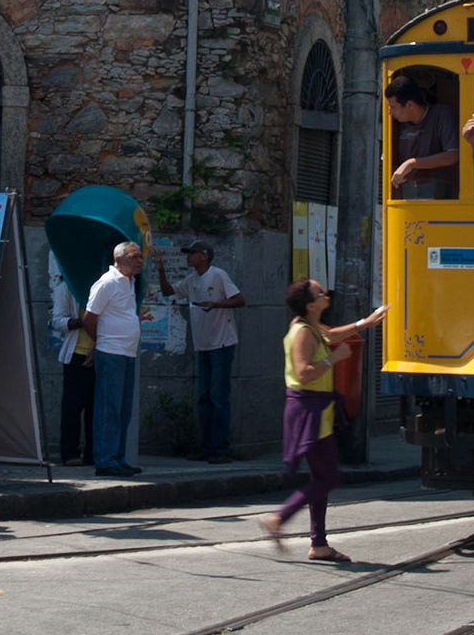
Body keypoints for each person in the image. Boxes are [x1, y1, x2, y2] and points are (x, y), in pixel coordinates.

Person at [257, 279, 388, 562]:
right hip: (308, 411)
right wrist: (333, 359)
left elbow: (332, 335)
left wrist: (366, 322)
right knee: (329, 477)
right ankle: (279, 518)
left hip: (317, 410)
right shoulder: (302, 332)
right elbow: (303, 373)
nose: (325, 294)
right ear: (310, 304)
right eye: (319, 292)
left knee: (322, 477)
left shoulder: (312, 327)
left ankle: (319, 544)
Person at [158, 240, 243, 463]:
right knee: (204, 397)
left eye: (192, 253)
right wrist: (160, 270)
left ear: (204, 256)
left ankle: (222, 449)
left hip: (221, 344)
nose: (189, 257)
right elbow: (168, 291)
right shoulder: (192, 279)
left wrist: (217, 305)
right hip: (203, 345)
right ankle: (207, 446)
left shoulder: (218, 275)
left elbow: (239, 299)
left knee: (218, 397)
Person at [84, 242, 145, 477]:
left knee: (122, 410)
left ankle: (118, 457)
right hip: (111, 351)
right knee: (108, 408)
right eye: (133, 257)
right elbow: (90, 317)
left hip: (127, 352)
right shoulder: (106, 283)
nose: (139, 260)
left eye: (139, 256)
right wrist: (100, 342)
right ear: (119, 260)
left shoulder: (130, 282)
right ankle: (105, 459)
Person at [386, 76, 460, 198]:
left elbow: (453, 155)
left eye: (393, 107)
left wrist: (411, 163)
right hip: (406, 199)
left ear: (410, 105)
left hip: (438, 198)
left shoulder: (441, 114)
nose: (389, 112)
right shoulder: (395, 124)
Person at [49, 273, 95, 465]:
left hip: (101, 352)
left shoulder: (102, 288)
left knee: (96, 408)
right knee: (72, 407)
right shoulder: (66, 289)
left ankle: (93, 453)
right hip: (76, 354)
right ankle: (70, 453)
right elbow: (58, 321)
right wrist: (81, 321)